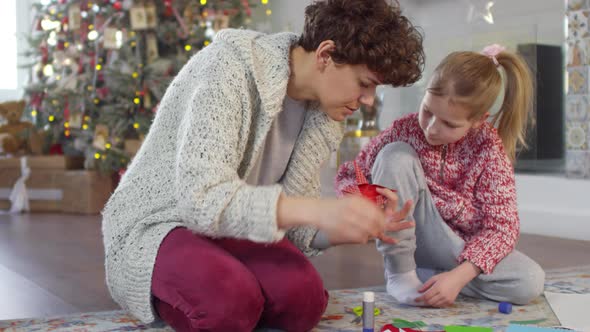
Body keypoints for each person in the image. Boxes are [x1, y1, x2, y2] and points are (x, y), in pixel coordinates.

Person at [101, 0, 425, 331]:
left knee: (305, 302)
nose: (369, 99)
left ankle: (220, 278)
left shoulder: (324, 113)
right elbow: (201, 201)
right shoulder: (227, 68)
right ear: (326, 55)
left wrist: (345, 228)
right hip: (162, 221)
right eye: (365, 82)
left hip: (232, 225)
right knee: (229, 303)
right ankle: (166, 287)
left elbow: (296, 227)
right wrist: (320, 210)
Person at [335, 44, 545, 308]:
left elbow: (502, 228)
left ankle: (433, 279)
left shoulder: (488, 148)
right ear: (424, 95)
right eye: (428, 111)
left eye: (449, 123)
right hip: (411, 235)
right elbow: (350, 174)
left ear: (479, 120)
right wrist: (367, 205)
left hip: (458, 248)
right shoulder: (405, 130)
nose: (432, 129)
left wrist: (458, 277)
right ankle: (401, 273)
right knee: (395, 154)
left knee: (529, 280)